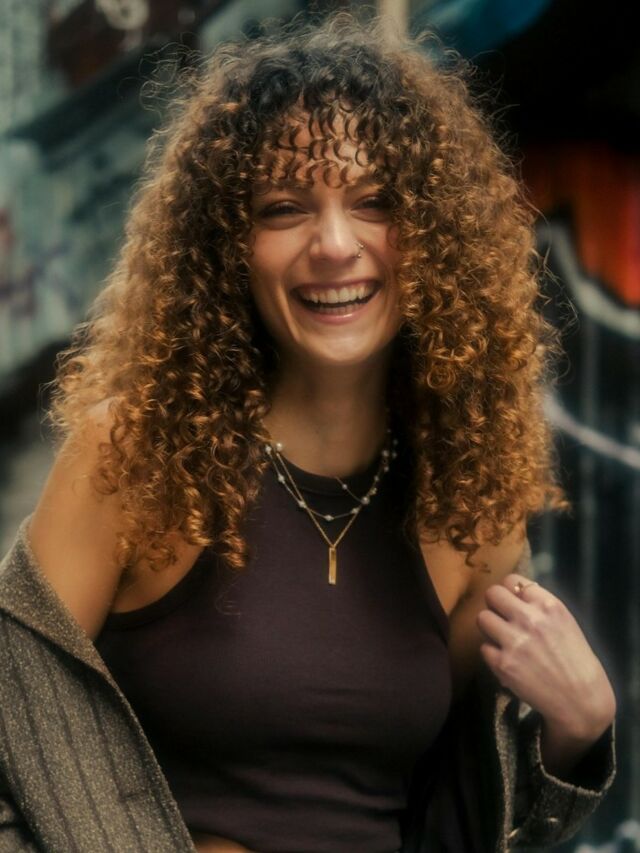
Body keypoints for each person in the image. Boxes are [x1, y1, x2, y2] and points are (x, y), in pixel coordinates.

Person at [0, 12, 617, 853]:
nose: (333, 245)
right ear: (228, 244)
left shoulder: (467, 505)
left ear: (436, 235)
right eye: (284, 208)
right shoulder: (138, 455)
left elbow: (470, 817)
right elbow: (12, 738)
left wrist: (578, 729)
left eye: (375, 203)